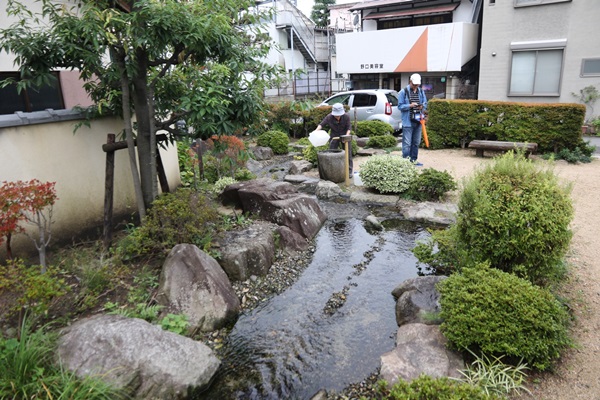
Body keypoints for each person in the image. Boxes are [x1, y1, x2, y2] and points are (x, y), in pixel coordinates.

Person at [398, 73, 428, 166]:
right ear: (410, 82)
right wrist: (409, 105)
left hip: (418, 120)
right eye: (414, 84)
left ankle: (414, 160)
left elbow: (425, 103)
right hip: (408, 121)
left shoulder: (421, 91)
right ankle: (406, 162)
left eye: (417, 85)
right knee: (407, 143)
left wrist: (422, 106)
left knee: (416, 142)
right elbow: (400, 106)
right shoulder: (403, 92)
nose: (415, 86)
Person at [316, 103, 353, 174]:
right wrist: (316, 130)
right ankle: (332, 171)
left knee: (348, 153)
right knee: (331, 153)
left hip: (345, 135)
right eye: (336, 115)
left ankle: (349, 171)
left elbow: (349, 127)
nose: (338, 117)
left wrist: (346, 136)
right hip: (334, 136)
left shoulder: (346, 116)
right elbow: (322, 124)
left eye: (339, 115)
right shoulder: (329, 117)